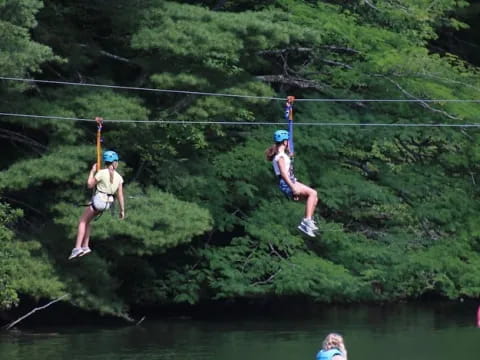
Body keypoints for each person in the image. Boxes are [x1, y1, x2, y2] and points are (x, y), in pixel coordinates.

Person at [68, 150, 125, 259]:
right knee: (88, 222)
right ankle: (85, 246)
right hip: (107, 204)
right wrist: (122, 210)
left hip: (99, 201)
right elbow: (120, 195)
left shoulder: (102, 173)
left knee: (82, 221)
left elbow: (90, 185)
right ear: (114, 162)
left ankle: (77, 248)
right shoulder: (119, 177)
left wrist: (92, 171)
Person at [265, 129, 319, 237]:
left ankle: (307, 222)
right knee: (312, 193)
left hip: (291, 181)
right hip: (287, 182)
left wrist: (289, 156)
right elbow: (284, 174)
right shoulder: (280, 156)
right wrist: (293, 188)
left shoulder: (283, 155)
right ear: (285, 142)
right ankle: (307, 221)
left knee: (314, 198)